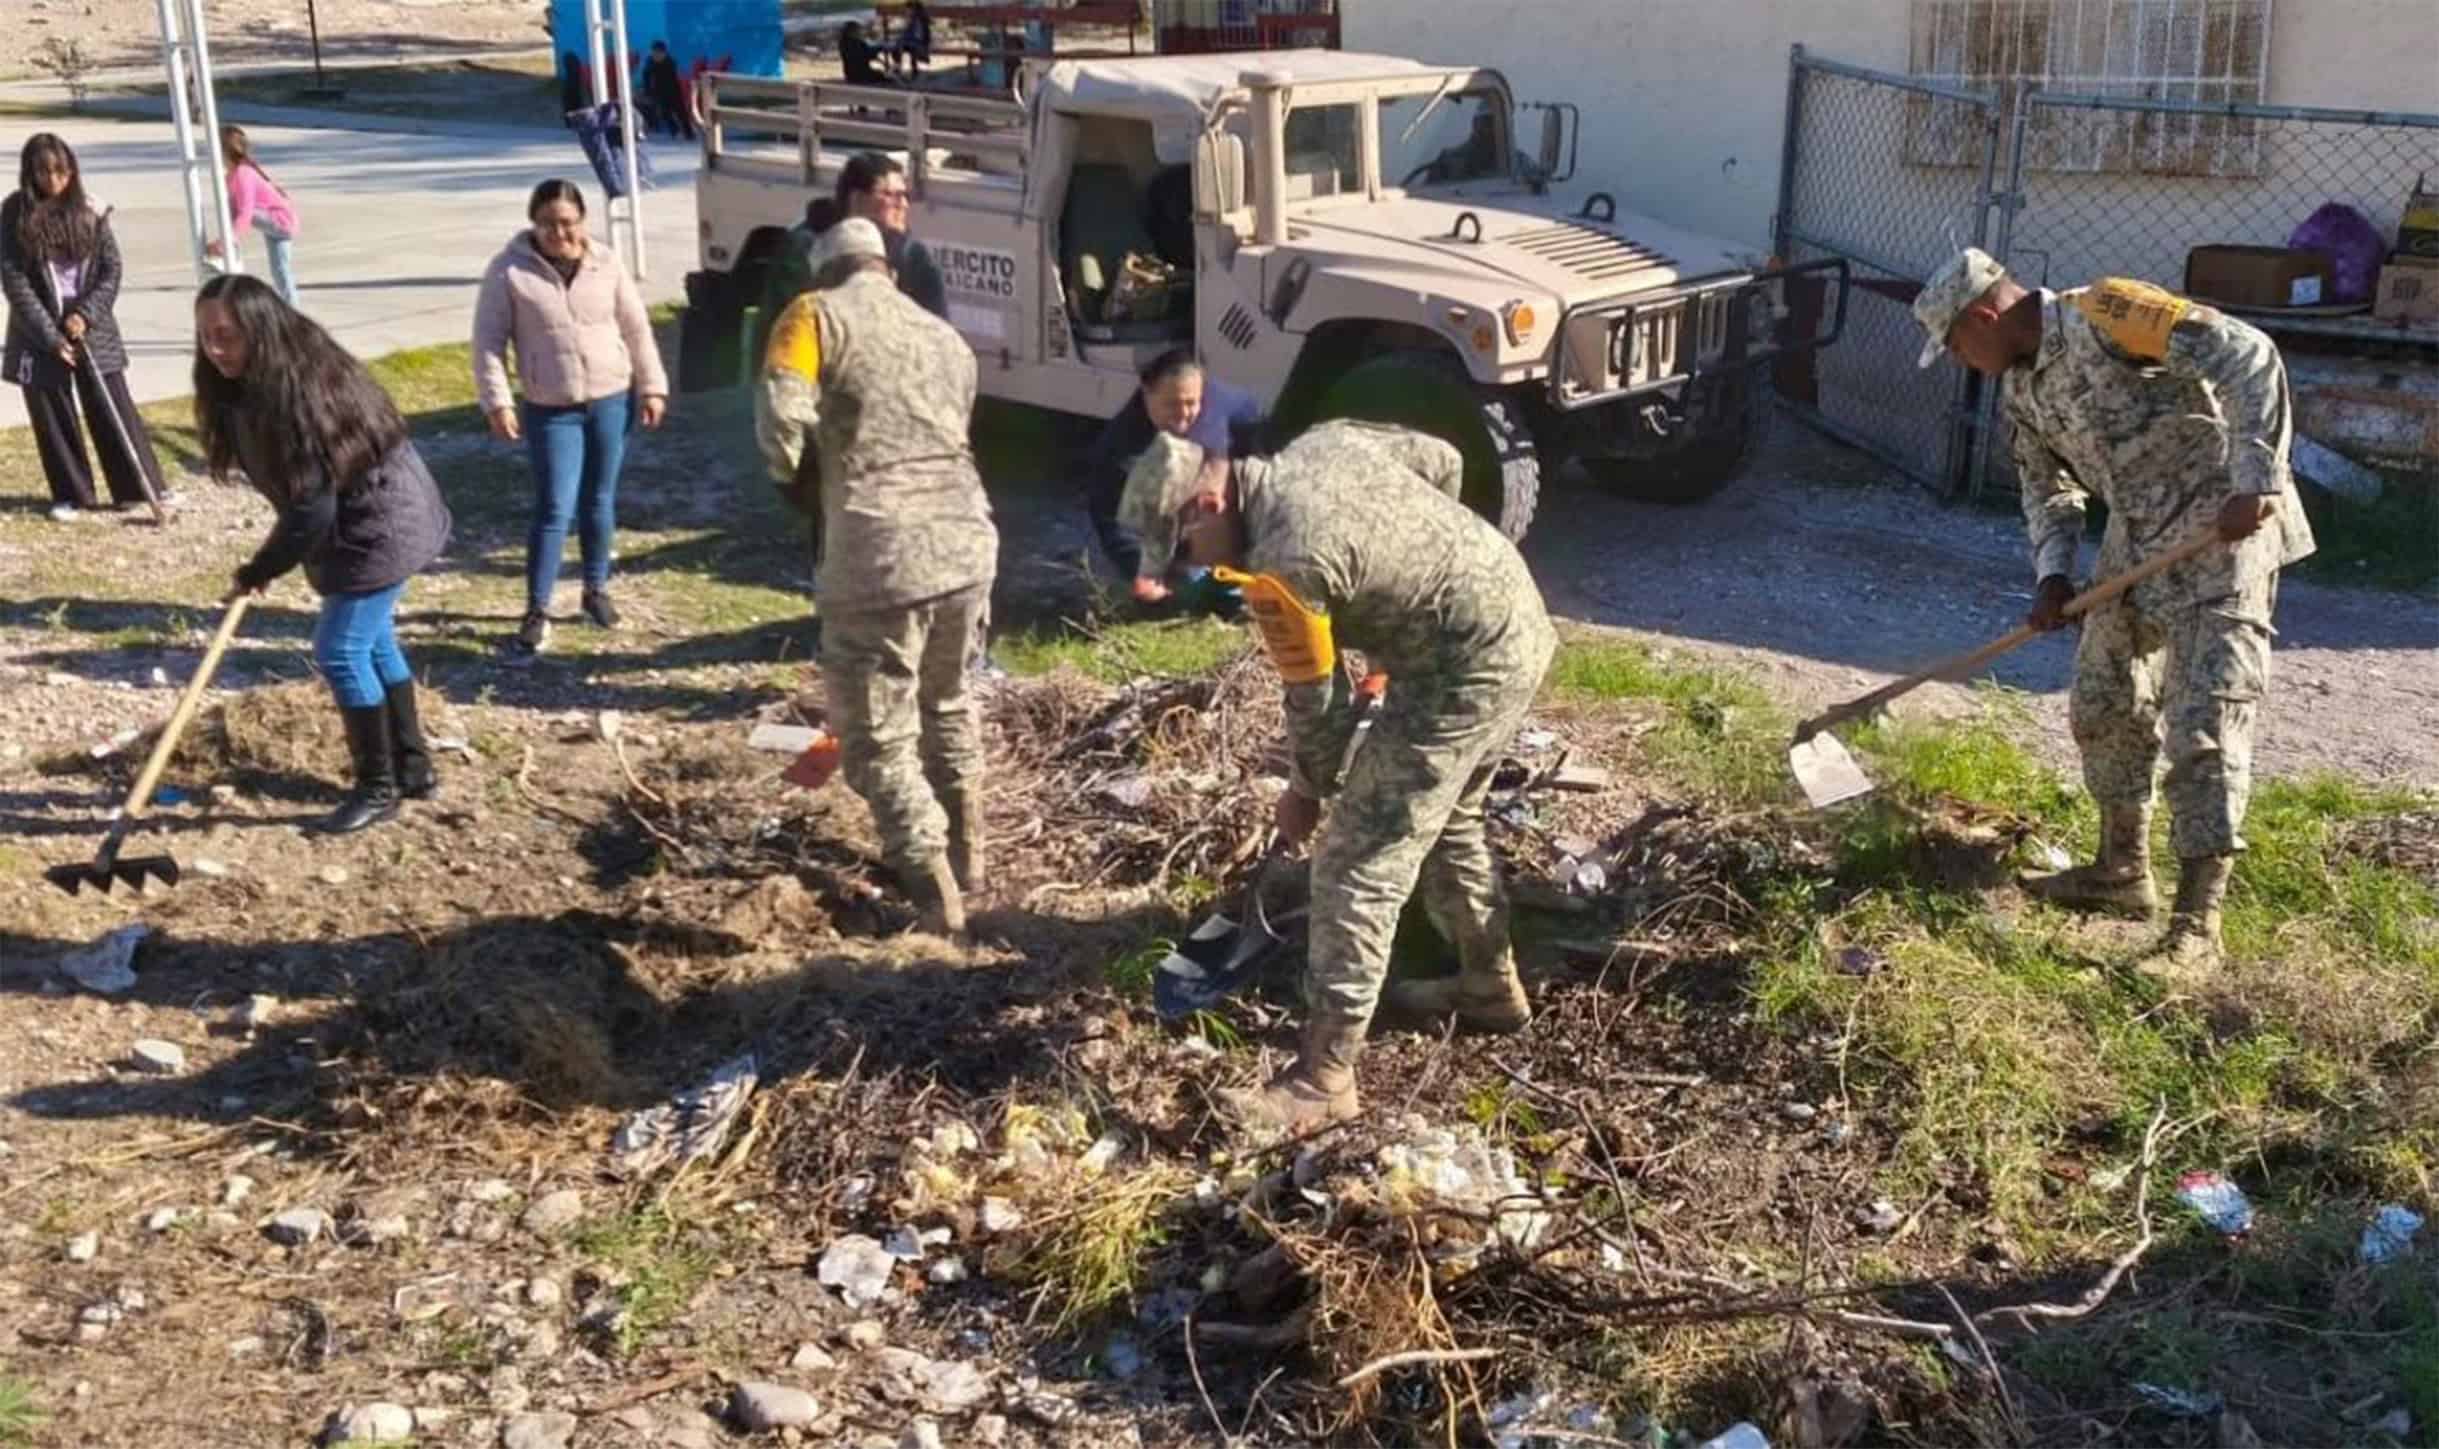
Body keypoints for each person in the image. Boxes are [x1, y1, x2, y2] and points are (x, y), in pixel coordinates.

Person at [1117, 420, 1556, 1132]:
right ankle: (1488, 987)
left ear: (1206, 506)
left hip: (1464, 669)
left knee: (1357, 859)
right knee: (1449, 819)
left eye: (1185, 551)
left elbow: (1315, 707)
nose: (1189, 569)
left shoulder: (1287, 565)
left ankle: (1325, 1077)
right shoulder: (1326, 442)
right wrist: (1405, 600)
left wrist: (1304, 791)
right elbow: (1441, 459)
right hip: (1514, 617)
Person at [1913, 247, 2316, 986]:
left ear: (1982, 317)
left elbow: (2249, 355)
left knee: (2204, 728)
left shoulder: (2108, 310)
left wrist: (2257, 479)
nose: (1960, 361)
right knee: (2102, 702)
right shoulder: (2018, 390)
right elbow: (2047, 489)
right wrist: (2053, 575)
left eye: (1956, 345)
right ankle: (2120, 871)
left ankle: (2198, 928)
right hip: (2136, 546)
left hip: (2222, 538)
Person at [756, 218, 998, 936]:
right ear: (885, 267)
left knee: (876, 739)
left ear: (821, 270)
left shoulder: (812, 315)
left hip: (879, 550)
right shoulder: (942, 335)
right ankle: (971, 858)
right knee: (948, 703)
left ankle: (933, 887)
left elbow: (780, 420)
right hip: (966, 541)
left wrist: (796, 482)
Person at [195, 274, 452, 834]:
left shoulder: (300, 391)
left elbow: (311, 511)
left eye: (227, 336)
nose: (215, 351)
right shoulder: (254, 383)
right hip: (357, 522)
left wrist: (259, 569)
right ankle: (413, 768)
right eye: (206, 337)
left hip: (384, 523)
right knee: (373, 641)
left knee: (339, 649)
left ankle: (377, 788)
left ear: (261, 332)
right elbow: (308, 506)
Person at [473, 179, 670, 659]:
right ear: (533, 224)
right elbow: (488, 343)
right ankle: (537, 609)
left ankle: (595, 590)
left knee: (599, 500)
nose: (559, 232)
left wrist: (652, 385)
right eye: (547, 223)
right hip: (551, 406)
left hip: (610, 398)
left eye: (567, 222)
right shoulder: (508, 272)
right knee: (555, 506)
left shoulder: (606, 263)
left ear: (582, 221)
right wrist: (497, 402)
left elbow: (636, 327)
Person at [1, 132, 170, 522]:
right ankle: (72, 493)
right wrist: (50, 336)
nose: (53, 180)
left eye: (60, 171)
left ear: (72, 169)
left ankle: (137, 487)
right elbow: (14, 281)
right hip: (38, 330)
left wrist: (87, 314)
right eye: (43, 172)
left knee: (112, 406)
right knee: (52, 412)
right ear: (30, 173)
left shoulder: (92, 209)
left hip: (92, 326)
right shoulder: (13, 213)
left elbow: (111, 269)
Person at [1080, 349, 1263, 610]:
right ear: (1147, 393)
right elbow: (1111, 523)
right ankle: (1188, 572)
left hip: (1243, 462)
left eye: (1191, 403)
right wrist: (1144, 573)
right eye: (1171, 404)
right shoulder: (1119, 449)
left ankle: (1229, 572)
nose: (1183, 414)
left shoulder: (1222, 410)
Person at [205, 126, 300, 306]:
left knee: (240, 211)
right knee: (280, 271)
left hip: (282, 221)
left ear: (224, 151)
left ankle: (227, 244)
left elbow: (245, 214)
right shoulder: (232, 176)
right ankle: (292, 309)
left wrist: (223, 242)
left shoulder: (243, 174)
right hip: (277, 225)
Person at [641, 41, 693, 140]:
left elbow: (673, 79)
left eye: (658, 53)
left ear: (664, 53)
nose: (656, 55)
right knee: (665, 113)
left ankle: (688, 133)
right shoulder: (650, 62)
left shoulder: (670, 62)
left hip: (673, 91)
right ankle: (675, 130)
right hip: (659, 91)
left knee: (681, 112)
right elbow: (646, 76)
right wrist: (648, 90)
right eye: (654, 53)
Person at [839, 20, 891, 86]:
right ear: (852, 32)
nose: (859, 32)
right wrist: (879, 51)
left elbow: (867, 54)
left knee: (880, 74)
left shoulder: (843, 43)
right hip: (862, 74)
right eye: (857, 30)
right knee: (881, 76)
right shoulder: (857, 43)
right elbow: (867, 54)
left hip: (849, 73)